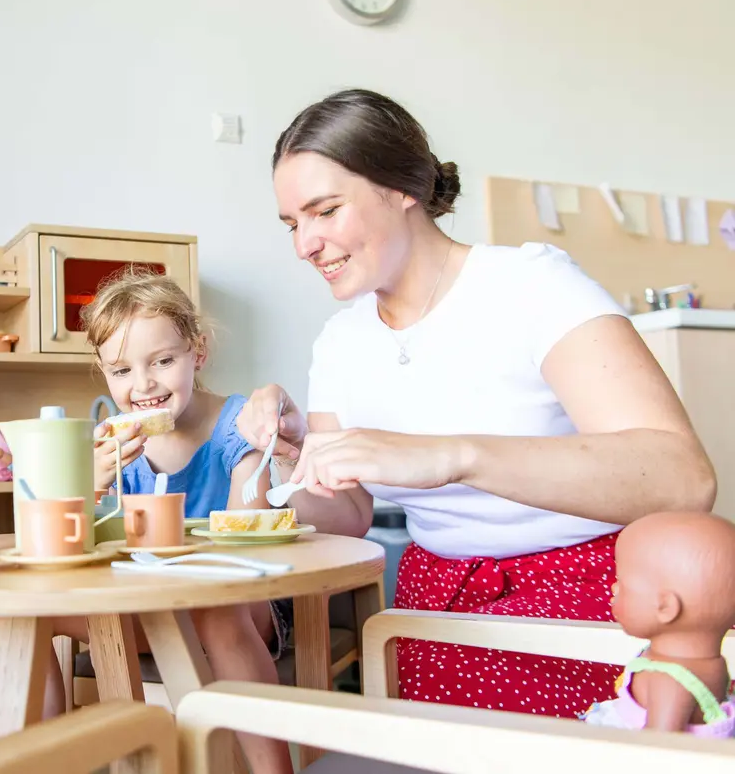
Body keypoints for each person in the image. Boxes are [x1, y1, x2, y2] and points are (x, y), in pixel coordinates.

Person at [236, 88, 715, 718]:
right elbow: (347, 514)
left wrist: (451, 456)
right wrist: (288, 457)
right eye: (293, 224)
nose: (305, 245)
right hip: (437, 612)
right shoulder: (342, 342)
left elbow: (683, 478)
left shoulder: (532, 287)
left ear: (402, 186)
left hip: (593, 601)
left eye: (325, 211)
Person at [46, 267, 294, 774]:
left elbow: (243, 540)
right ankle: (42, 760)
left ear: (197, 352)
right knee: (28, 612)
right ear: (102, 371)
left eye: (162, 360)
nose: (144, 386)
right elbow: (75, 544)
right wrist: (89, 484)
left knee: (216, 609)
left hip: (244, 604)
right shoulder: (113, 445)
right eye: (121, 371)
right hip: (153, 605)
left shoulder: (239, 424)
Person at [581, 511, 735, 736]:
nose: (613, 589)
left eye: (622, 583)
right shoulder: (712, 665)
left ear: (665, 607)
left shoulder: (669, 682)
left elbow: (658, 749)